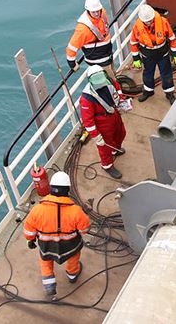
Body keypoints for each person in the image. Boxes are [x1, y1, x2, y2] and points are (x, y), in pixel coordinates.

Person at [23, 172, 91, 300]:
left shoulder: (37, 210)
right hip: (71, 246)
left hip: (46, 246)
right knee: (73, 259)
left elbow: (29, 231)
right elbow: (84, 230)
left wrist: (30, 241)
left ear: (51, 188)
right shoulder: (76, 210)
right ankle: (72, 275)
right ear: (67, 190)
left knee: (45, 262)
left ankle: (49, 286)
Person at [79, 65, 127, 179]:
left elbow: (117, 88)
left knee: (120, 133)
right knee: (105, 146)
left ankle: (115, 150)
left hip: (114, 114)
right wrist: (96, 136)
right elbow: (88, 121)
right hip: (102, 122)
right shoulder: (87, 98)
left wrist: (121, 100)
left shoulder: (109, 81)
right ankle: (107, 165)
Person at [130, 4, 176, 104]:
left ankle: (169, 93)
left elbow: (172, 38)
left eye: (150, 20)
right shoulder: (137, 26)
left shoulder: (163, 22)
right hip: (147, 55)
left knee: (166, 74)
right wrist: (136, 58)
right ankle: (148, 91)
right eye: (146, 21)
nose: (148, 22)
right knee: (148, 73)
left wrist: (175, 53)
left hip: (163, 54)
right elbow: (133, 43)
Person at [66, 0, 114, 77]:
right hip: (98, 62)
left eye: (98, 11)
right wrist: (73, 64)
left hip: (108, 55)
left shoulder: (103, 13)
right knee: (111, 82)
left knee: (113, 75)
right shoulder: (82, 29)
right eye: (93, 12)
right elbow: (72, 47)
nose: (96, 14)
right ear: (88, 11)